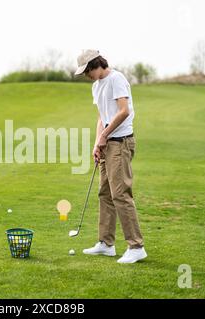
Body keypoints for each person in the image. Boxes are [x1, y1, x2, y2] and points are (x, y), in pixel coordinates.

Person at [74, 50, 147, 263]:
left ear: (95, 65)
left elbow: (123, 111)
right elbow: (101, 116)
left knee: (120, 194)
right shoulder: (96, 86)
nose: (86, 76)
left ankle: (136, 246)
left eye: (86, 71)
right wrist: (97, 142)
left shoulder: (117, 79)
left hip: (121, 143)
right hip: (107, 143)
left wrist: (105, 135)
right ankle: (106, 244)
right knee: (104, 193)